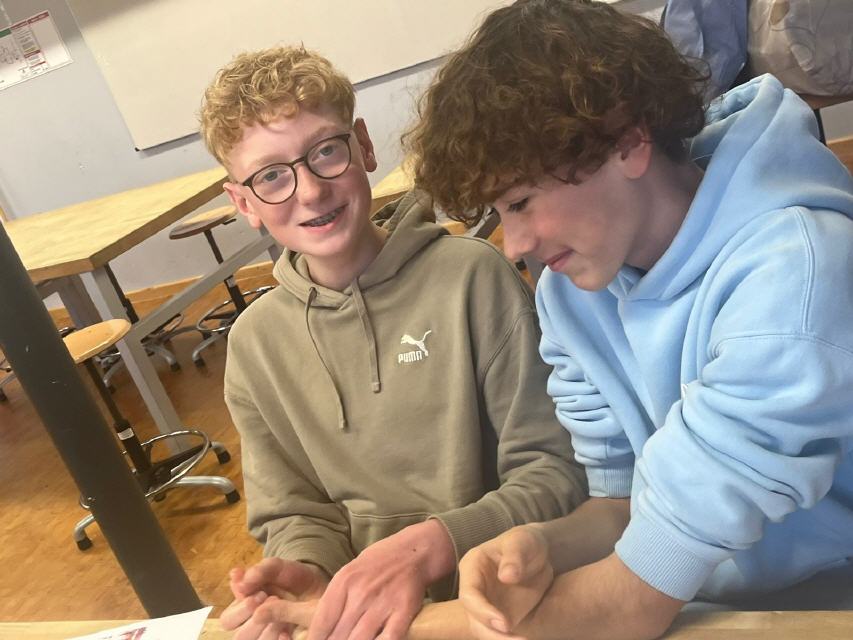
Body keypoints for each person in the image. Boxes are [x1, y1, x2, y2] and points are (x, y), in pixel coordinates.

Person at [249, 1, 853, 638]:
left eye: (521, 202)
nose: (514, 245)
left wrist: (342, 622)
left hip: (821, 605)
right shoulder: (574, 285)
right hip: (698, 601)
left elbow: (631, 603)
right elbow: (619, 502)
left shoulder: (794, 275)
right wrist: (542, 543)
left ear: (628, 140)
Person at [198, 45, 586, 640]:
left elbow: (555, 472)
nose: (310, 191)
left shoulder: (472, 278)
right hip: (365, 620)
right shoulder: (255, 344)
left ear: (363, 145)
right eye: (271, 176)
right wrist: (307, 568)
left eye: (326, 152)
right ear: (243, 202)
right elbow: (297, 511)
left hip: (503, 606)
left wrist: (432, 547)